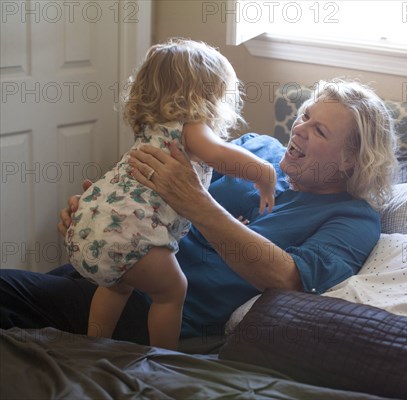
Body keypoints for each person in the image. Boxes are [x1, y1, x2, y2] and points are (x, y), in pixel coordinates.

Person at [0, 79, 397, 347]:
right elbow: (152, 189)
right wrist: (101, 215)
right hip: (109, 267)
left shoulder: (354, 217)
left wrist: (198, 204)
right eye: (305, 115)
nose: (299, 128)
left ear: (351, 160)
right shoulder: (255, 149)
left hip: (158, 311)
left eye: (320, 130)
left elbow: (289, 278)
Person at [64, 38, 276, 350]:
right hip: (129, 231)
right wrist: (264, 173)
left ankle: (93, 346)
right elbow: (219, 154)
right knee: (174, 289)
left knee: (116, 287)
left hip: (87, 226)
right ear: (205, 92)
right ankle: (165, 358)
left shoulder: (152, 126)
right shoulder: (189, 127)